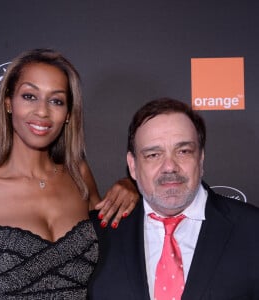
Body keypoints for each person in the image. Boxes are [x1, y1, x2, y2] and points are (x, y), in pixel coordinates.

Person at [0, 48, 139, 299]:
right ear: (9, 103)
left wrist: (131, 186)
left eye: (56, 101)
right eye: (30, 96)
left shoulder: (79, 176)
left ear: (67, 114)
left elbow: (120, 242)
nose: (42, 112)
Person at [88, 97, 259, 299]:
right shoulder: (96, 235)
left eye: (183, 151)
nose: (170, 166)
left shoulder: (252, 230)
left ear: (201, 159)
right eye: (153, 154)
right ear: (133, 166)